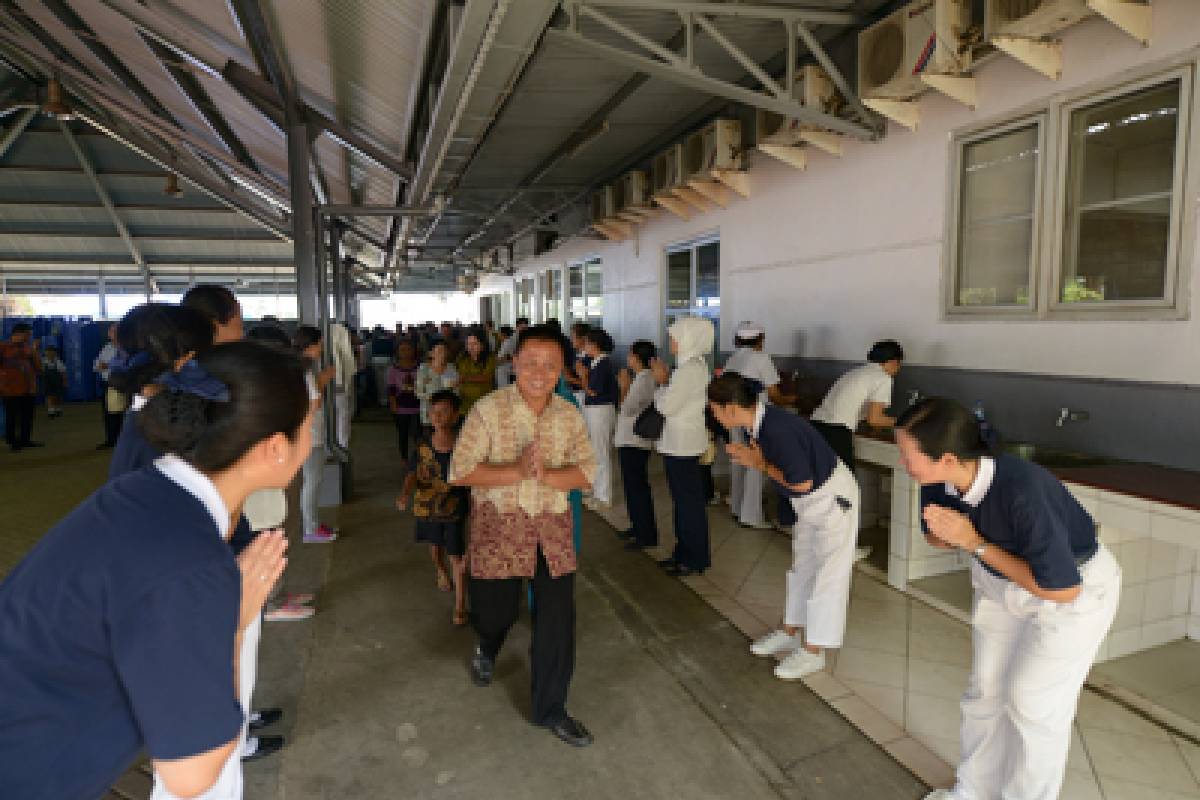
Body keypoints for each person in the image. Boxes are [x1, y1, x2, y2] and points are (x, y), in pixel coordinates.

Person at [0, 340, 305, 800]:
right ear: (276, 448)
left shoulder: (149, 491)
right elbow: (192, 776)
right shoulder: (190, 564)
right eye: (309, 426)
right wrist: (234, 625)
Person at [896, 399, 1120, 800]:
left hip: (1073, 591)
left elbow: (1061, 588)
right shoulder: (937, 479)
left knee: (1032, 704)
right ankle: (972, 791)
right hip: (999, 580)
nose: (903, 464)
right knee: (985, 691)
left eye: (907, 456)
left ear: (947, 457)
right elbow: (937, 535)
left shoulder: (1022, 489)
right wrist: (950, 535)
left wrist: (975, 543)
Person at [449, 324, 596, 748]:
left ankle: (551, 708)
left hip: (551, 530)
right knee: (496, 613)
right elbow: (459, 470)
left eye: (550, 365)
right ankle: (488, 645)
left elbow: (586, 472)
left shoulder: (569, 415)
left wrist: (548, 474)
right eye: (530, 362)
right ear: (514, 363)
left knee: (557, 622)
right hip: (500, 527)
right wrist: (514, 471)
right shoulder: (488, 411)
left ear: (562, 370)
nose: (539, 372)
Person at [709, 372, 860, 680]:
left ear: (731, 409)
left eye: (714, 408)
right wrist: (757, 459)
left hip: (831, 499)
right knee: (802, 567)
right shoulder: (758, 424)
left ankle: (813, 651)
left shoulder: (776, 429)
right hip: (809, 502)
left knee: (829, 575)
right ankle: (790, 631)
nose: (712, 414)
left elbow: (802, 482)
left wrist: (759, 464)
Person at [397, 389, 470, 625]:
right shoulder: (422, 445)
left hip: (454, 508)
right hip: (427, 507)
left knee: (457, 557)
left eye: (444, 412)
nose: (438, 417)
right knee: (435, 547)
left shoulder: (464, 444)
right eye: (434, 412)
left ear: (456, 415)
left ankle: (460, 605)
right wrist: (405, 493)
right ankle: (440, 570)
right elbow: (411, 473)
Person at [652, 317, 713, 577]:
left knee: (688, 504)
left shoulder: (688, 371)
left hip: (682, 445)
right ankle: (684, 553)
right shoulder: (694, 366)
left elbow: (667, 406)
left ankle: (694, 558)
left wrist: (662, 383)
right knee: (684, 502)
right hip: (682, 442)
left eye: (676, 337)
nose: (672, 342)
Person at [723, 321, 785, 529]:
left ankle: (737, 507)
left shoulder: (732, 358)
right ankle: (751, 516)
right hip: (753, 416)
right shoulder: (761, 358)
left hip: (734, 415)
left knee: (739, 460)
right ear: (759, 339)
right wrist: (791, 400)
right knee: (755, 462)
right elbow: (774, 394)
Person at [810, 339, 904, 468]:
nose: (898, 370)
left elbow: (866, 413)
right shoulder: (883, 378)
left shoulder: (856, 372)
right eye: (899, 365)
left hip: (815, 427)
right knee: (843, 483)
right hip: (835, 432)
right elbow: (874, 419)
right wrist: (904, 422)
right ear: (894, 362)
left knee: (822, 480)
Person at [295, 326, 338, 544]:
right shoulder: (306, 370)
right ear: (311, 345)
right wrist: (323, 380)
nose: (321, 348)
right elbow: (314, 403)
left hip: (306, 433)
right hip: (310, 435)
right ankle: (310, 528)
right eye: (320, 343)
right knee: (312, 481)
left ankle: (312, 522)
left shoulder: (299, 367)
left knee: (311, 480)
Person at [615, 340, 658, 550]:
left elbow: (627, 409)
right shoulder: (642, 378)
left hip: (634, 441)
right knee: (632, 487)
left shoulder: (643, 380)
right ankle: (637, 526)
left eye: (630, 355)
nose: (628, 358)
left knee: (637, 487)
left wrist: (624, 386)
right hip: (631, 439)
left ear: (637, 358)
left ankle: (646, 534)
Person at [579, 328, 617, 510]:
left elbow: (593, 390)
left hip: (601, 410)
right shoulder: (595, 362)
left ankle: (603, 496)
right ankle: (594, 490)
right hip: (594, 409)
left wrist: (583, 377)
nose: (584, 346)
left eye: (587, 343)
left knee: (601, 453)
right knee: (594, 451)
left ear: (595, 345)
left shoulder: (603, 364)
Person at [0, 323, 41, 451]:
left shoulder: (29, 349)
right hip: (10, 389)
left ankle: (25, 439)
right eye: (27, 334)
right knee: (12, 416)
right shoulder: (3, 347)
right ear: (17, 333)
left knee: (27, 415)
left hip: (28, 388)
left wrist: (34, 352)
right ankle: (12, 441)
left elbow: (38, 368)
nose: (29, 337)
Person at [387, 339, 422, 460]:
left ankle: (419, 458)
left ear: (414, 351)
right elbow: (391, 389)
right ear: (397, 352)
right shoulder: (393, 369)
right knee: (403, 434)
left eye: (408, 349)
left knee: (418, 435)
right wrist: (393, 404)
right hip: (401, 407)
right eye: (402, 350)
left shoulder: (421, 367)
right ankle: (404, 459)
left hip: (418, 406)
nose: (405, 352)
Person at [93, 323, 125, 449]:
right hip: (108, 383)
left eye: (115, 331)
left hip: (121, 383)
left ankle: (121, 441)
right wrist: (103, 366)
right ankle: (111, 439)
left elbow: (124, 364)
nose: (112, 333)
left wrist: (108, 365)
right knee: (108, 412)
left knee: (121, 412)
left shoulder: (125, 347)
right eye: (111, 331)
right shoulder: (107, 347)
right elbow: (96, 364)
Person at [416, 340, 459, 431]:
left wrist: (455, 387)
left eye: (444, 351)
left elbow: (456, 392)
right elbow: (418, 392)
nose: (442, 354)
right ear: (431, 354)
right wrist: (434, 398)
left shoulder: (451, 367)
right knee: (429, 441)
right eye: (439, 351)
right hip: (429, 412)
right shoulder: (424, 368)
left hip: (447, 414)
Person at [455, 327, 496, 417]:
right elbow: (456, 373)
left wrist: (465, 378)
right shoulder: (462, 358)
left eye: (475, 344)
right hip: (464, 404)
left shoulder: (490, 358)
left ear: (482, 345)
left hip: (483, 403)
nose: (471, 347)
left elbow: (487, 377)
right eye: (468, 344)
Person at [496, 317, 528, 386]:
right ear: (517, 327)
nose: (524, 330)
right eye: (522, 328)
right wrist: (511, 356)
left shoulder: (526, 338)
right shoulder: (509, 341)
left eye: (525, 328)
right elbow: (499, 360)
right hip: (506, 370)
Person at [41, 345, 67, 419]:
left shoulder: (58, 362)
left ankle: (58, 409)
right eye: (48, 352)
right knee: (49, 396)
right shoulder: (43, 361)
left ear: (55, 353)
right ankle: (51, 411)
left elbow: (63, 372)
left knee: (58, 396)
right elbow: (40, 371)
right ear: (45, 353)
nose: (50, 354)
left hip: (57, 382)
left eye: (52, 352)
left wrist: (65, 381)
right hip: (47, 382)